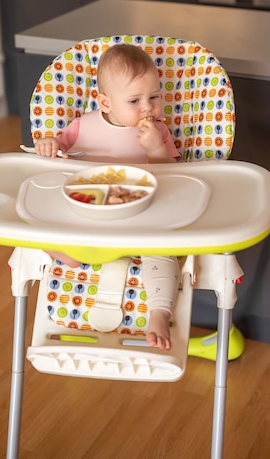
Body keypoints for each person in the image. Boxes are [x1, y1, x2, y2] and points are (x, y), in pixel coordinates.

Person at [34, 43, 181, 351]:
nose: (148, 108)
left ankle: (158, 314)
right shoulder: (81, 127)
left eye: (154, 97)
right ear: (105, 102)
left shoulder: (159, 133)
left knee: (165, 252)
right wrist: (49, 143)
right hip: (90, 217)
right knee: (41, 227)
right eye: (135, 100)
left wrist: (156, 149)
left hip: (139, 219)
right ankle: (64, 251)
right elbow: (56, 151)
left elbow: (173, 177)